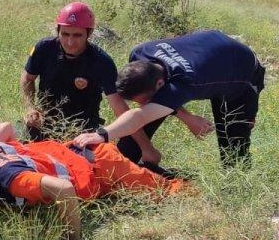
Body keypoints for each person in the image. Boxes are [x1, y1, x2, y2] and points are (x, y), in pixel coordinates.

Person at [0, 122, 186, 240]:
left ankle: (188, 185)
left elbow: (62, 189)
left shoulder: (8, 179)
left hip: (102, 167)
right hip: (74, 152)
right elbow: (5, 127)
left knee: (169, 192)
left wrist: (72, 238)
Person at [73, 30, 265, 168]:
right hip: (209, 50)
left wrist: (101, 134)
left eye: (142, 100)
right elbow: (147, 110)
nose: (140, 105)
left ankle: (234, 192)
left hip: (241, 72)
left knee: (234, 150)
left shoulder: (184, 81)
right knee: (131, 142)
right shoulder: (141, 52)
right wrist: (188, 117)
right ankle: (132, 168)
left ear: (159, 85)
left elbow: (139, 116)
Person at [21, 2, 128, 141]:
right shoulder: (44, 48)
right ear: (57, 30)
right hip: (44, 123)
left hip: (82, 131)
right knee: (10, 148)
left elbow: (119, 107)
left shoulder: (102, 62)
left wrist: (142, 145)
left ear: (89, 33)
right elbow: (27, 78)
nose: (70, 42)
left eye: (77, 35)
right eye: (65, 34)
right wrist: (30, 108)